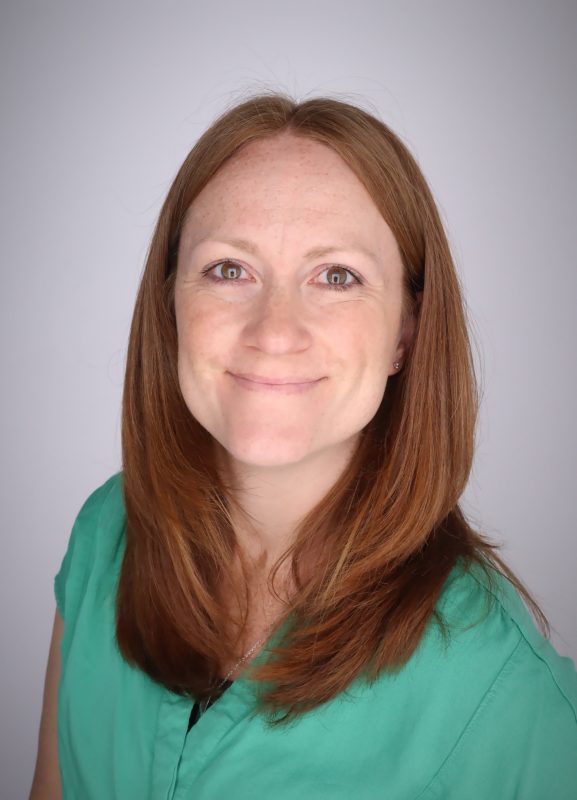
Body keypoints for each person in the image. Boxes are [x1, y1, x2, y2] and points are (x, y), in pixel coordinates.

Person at [30, 92, 577, 799]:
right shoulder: (105, 535)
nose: (273, 330)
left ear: (404, 332)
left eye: (336, 276)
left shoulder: (511, 699)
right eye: (229, 269)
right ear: (170, 306)